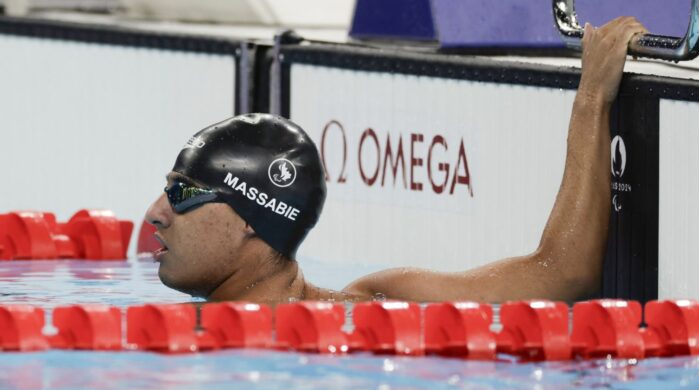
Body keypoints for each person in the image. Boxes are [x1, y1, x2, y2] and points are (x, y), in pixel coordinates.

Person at [145, 17, 647, 305]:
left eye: (183, 193)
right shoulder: (382, 309)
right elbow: (563, 276)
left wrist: (591, 98)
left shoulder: (387, 301)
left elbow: (564, 275)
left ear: (251, 220)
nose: (155, 213)